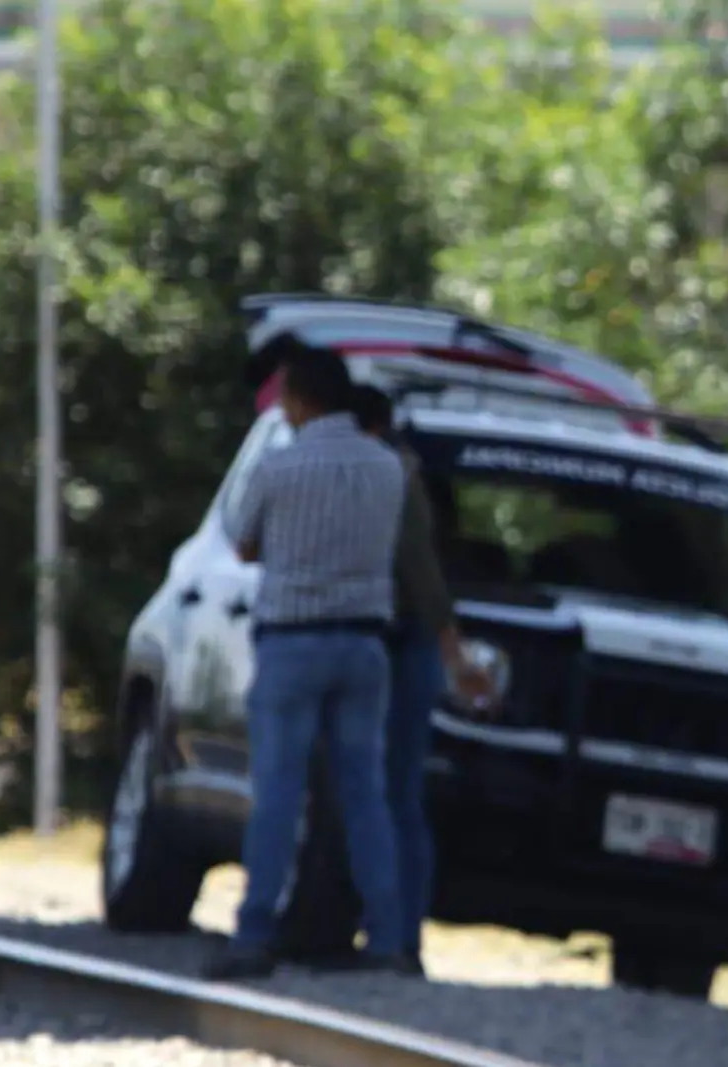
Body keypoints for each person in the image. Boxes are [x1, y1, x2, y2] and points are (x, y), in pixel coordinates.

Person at [205, 335, 414, 980]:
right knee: (365, 795)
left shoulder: (278, 466)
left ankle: (254, 934)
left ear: (297, 398)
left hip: (293, 640)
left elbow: (243, 545)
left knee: (278, 793)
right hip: (365, 645)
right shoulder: (389, 468)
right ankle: (389, 939)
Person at [348, 384, 497, 975]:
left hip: (401, 639)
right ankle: (390, 931)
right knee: (387, 794)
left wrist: (452, 655)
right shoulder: (389, 470)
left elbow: (423, 575)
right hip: (390, 638)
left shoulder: (395, 474)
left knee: (391, 795)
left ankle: (398, 935)